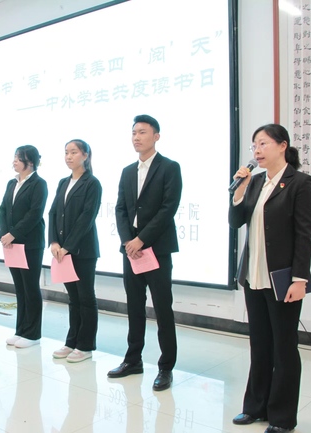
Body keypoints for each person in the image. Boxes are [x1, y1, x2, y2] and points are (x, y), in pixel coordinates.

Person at [229, 124, 311, 433]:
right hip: (253, 277)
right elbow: (235, 221)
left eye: (263, 143)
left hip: (282, 280)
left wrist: (299, 279)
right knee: (260, 345)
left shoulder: (299, 183)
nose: (257, 150)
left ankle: (282, 417)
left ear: (282, 146)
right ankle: (256, 407)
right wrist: (239, 191)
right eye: (254, 145)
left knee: (284, 349)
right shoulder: (254, 182)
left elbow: (304, 235)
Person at [108, 114, 182, 392]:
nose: (136, 137)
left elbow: (168, 208)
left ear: (156, 136)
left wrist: (142, 239)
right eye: (134, 133)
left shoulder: (169, 167)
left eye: (142, 132)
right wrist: (129, 241)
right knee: (134, 306)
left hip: (156, 249)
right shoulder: (128, 171)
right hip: (131, 251)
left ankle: (166, 367)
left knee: (162, 309)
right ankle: (133, 360)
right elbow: (120, 209)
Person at [48, 139, 102, 363]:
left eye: (74, 152)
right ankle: (72, 341)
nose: (69, 156)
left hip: (83, 250)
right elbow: (53, 213)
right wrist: (53, 242)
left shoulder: (92, 183)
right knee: (73, 298)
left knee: (85, 297)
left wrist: (68, 246)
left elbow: (86, 218)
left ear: (85, 156)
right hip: (61, 251)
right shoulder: (63, 182)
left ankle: (85, 345)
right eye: (66, 152)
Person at [0, 145, 48, 348]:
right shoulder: (12, 183)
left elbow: (34, 214)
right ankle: (21, 330)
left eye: (18, 158)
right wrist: (4, 234)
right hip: (11, 243)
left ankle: (32, 334)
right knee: (19, 288)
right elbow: (3, 209)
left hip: (30, 244)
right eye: (15, 157)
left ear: (30, 162)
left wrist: (14, 234)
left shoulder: (39, 184)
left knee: (30, 287)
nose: (14, 161)